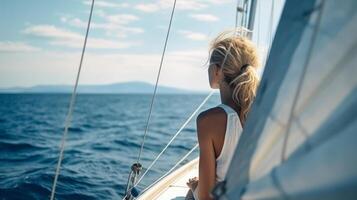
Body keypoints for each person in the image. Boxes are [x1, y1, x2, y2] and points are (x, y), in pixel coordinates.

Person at [186, 30, 260, 200]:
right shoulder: (264, 113)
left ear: (217, 71)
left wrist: (195, 186)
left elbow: (205, 198)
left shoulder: (208, 121)